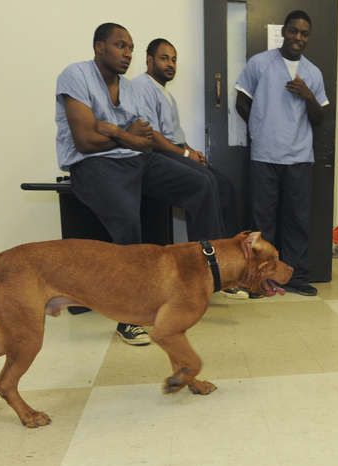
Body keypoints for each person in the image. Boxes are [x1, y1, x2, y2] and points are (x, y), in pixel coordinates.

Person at [56, 23, 218, 345]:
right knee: (128, 220)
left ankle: (207, 274)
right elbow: (86, 141)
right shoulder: (75, 75)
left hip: (134, 160)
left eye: (130, 48)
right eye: (120, 46)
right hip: (92, 165)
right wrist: (123, 134)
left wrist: (116, 132)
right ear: (99, 46)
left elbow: (143, 141)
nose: (127, 54)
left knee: (202, 183)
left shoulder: (128, 88)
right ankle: (128, 317)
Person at [235, 9, 330, 297]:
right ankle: (258, 279)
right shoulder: (260, 64)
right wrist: (260, 129)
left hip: (299, 157)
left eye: (303, 33)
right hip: (264, 155)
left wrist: (307, 95)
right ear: (284, 32)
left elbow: (319, 117)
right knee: (261, 222)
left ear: (307, 37)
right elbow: (241, 102)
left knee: (297, 221)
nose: (297, 37)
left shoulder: (312, 73)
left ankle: (295, 276)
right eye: (293, 31)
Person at [131, 38, 234, 239]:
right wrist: (186, 153)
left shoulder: (166, 94)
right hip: (158, 154)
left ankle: (228, 252)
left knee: (225, 186)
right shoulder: (141, 87)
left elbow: (177, 135)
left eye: (174, 60)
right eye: (164, 58)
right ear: (149, 60)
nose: (170, 64)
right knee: (205, 182)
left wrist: (193, 153)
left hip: (175, 151)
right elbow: (151, 136)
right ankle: (206, 257)